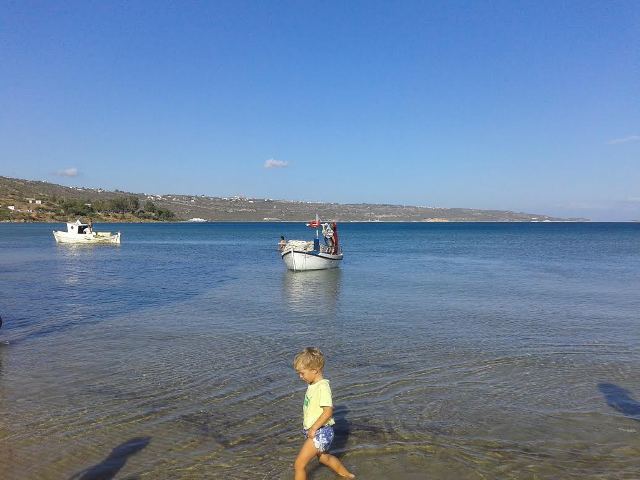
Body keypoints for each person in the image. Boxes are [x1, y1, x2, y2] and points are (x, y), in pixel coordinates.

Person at [293, 347, 355, 480]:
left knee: (299, 465)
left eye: (302, 373)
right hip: (319, 431)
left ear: (314, 370)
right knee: (324, 458)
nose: (300, 376)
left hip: (320, 432)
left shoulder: (322, 387)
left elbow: (328, 412)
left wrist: (314, 428)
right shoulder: (313, 385)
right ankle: (348, 476)